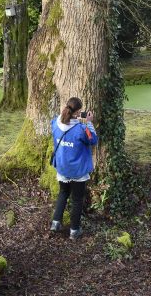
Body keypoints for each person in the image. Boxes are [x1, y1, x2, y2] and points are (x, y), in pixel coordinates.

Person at [50, 96, 98, 239]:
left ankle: (55, 223)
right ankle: (74, 230)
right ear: (77, 113)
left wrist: (76, 118)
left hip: (62, 167)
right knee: (77, 199)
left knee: (63, 193)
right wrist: (88, 122)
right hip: (78, 170)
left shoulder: (55, 123)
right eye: (79, 112)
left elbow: (59, 120)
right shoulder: (81, 129)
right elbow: (93, 139)